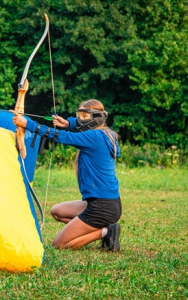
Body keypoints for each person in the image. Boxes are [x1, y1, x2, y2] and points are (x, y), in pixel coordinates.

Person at [11, 99, 122, 251]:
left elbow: (61, 136)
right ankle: (100, 228)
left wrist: (28, 125)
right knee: (57, 211)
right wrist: (69, 124)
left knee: (59, 244)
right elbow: (77, 126)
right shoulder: (105, 134)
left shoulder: (94, 137)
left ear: (96, 117)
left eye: (85, 116)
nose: (80, 119)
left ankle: (105, 232)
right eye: (79, 115)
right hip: (103, 203)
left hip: (102, 206)